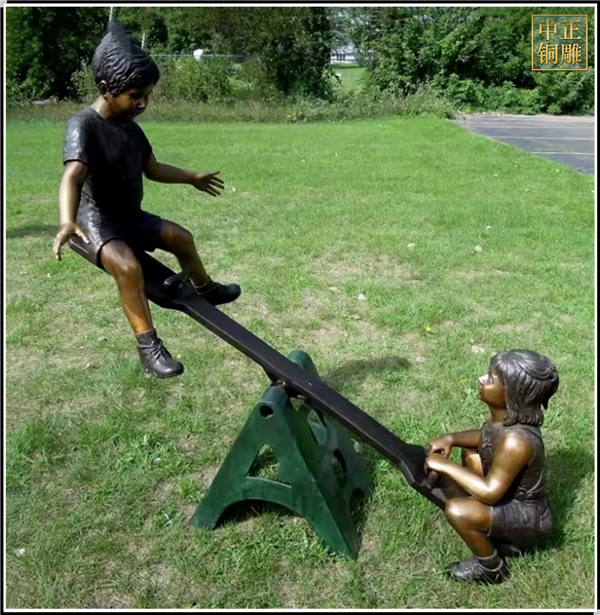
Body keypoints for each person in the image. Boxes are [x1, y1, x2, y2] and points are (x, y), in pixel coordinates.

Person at [53, 21, 241, 378]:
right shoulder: (83, 125)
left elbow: (152, 168)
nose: (143, 103)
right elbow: (72, 175)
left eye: (147, 95)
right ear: (106, 89)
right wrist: (67, 220)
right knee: (128, 267)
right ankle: (148, 347)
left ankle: (207, 289)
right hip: (96, 222)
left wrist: (191, 177)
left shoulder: (130, 128)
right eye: (135, 95)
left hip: (128, 216)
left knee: (180, 237)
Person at [424, 349, 559, 584]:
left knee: (457, 510)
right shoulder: (504, 420)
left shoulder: (517, 441)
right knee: (471, 454)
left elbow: (490, 492)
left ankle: (491, 568)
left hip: (528, 517)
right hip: (509, 498)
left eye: (490, 378)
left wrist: (445, 465)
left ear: (511, 394)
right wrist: (452, 438)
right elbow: (486, 437)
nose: (482, 379)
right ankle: (498, 537)